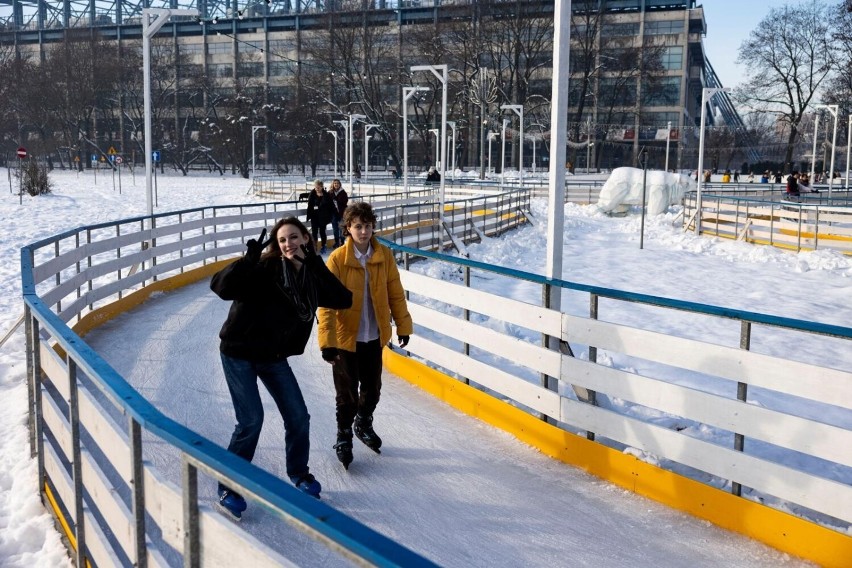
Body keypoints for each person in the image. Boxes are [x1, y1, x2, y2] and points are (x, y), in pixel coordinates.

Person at [210, 218, 353, 519]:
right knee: (251, 420)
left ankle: (299, 474)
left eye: (294, 237)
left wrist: (314, 264)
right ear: (277, 244)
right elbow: (221, 287)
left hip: (272, 355)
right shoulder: (265, 270)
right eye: (283, 240)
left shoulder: (311, 276)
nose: (289, 244)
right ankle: (228, 485)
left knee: (298, 416)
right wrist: (247, 261)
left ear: (305, 239)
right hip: (239, 351)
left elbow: (342, 299)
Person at [317, 202, 413, 470]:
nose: (363, 231)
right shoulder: (337, 259)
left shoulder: (384, 256)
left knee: (372, 390)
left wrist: (403, 325)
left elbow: (395, 292)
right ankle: (343, 435)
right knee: (346, 394)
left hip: (373, 336)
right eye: (357, 226)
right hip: (346, 339)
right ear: (347, 228)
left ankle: (363, 421)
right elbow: (326, 304)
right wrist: (328, 342)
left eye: (368, 226)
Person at [306, 180, 334, 253]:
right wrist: (310, 214)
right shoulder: (312, 194)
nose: (317, 188)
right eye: (315, 187)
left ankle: (323, 246)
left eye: (318, 187)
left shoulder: (326, 195)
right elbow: (310, 205)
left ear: (322, 187)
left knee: (322, 232)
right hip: (314, 217)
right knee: (314, 233)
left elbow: (331, 206)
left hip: (323, 217)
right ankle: (314, 246)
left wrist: (330, 214)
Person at [328, 178, 349, 249]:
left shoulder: (343, 192)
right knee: (335, 228)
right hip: (333, 213)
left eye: (337, 183)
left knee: (341, 228)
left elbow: (345, 202)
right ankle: (336, 241)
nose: (336, 184)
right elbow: (327, 202)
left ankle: (342, 242)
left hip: (342, 213)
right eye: (335, 183)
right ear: (333, 184)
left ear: (340, 184)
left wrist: (337, 200)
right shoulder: (330, 192)